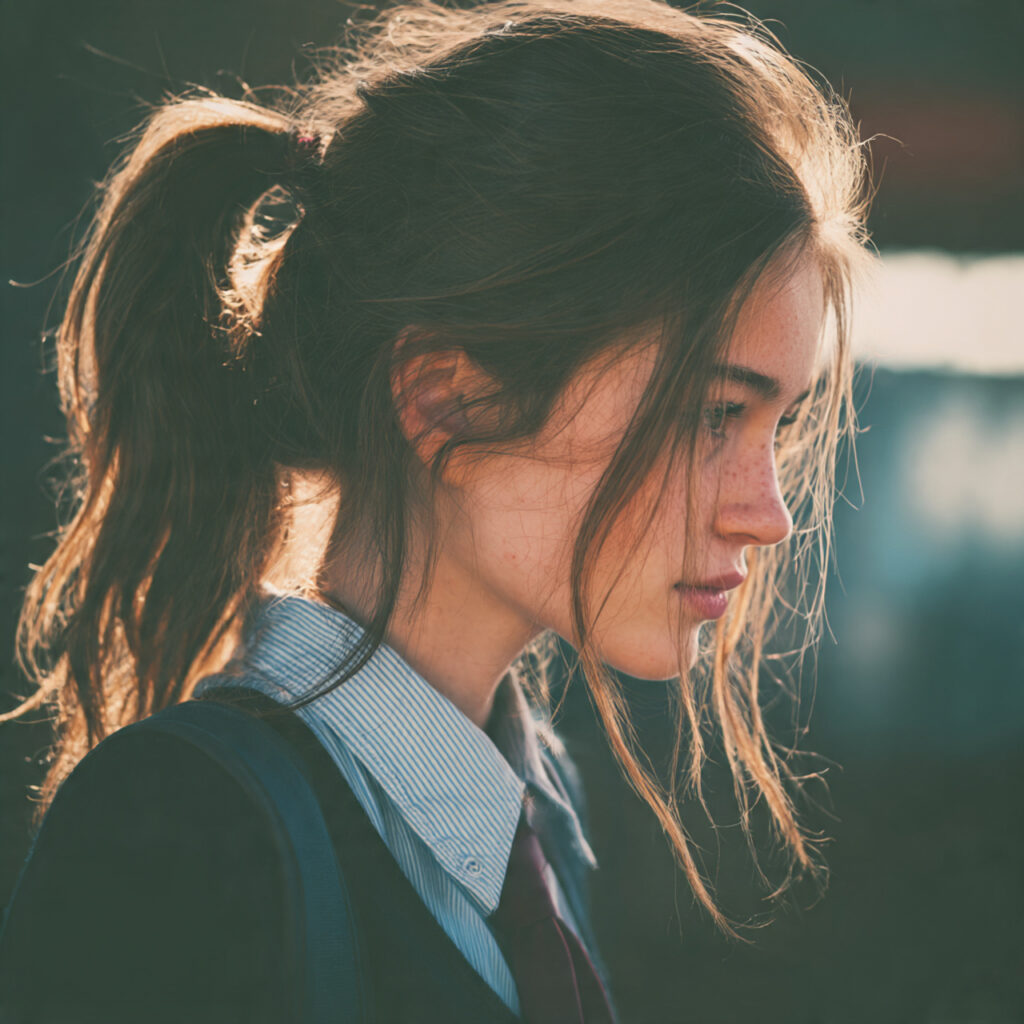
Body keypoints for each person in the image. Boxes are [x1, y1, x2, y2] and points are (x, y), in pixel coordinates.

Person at [0, 0, 873, 1020]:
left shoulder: (534, 816)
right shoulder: (181, 828)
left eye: (777, 424)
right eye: (713, 414)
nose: (769, 513)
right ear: (446, 400)